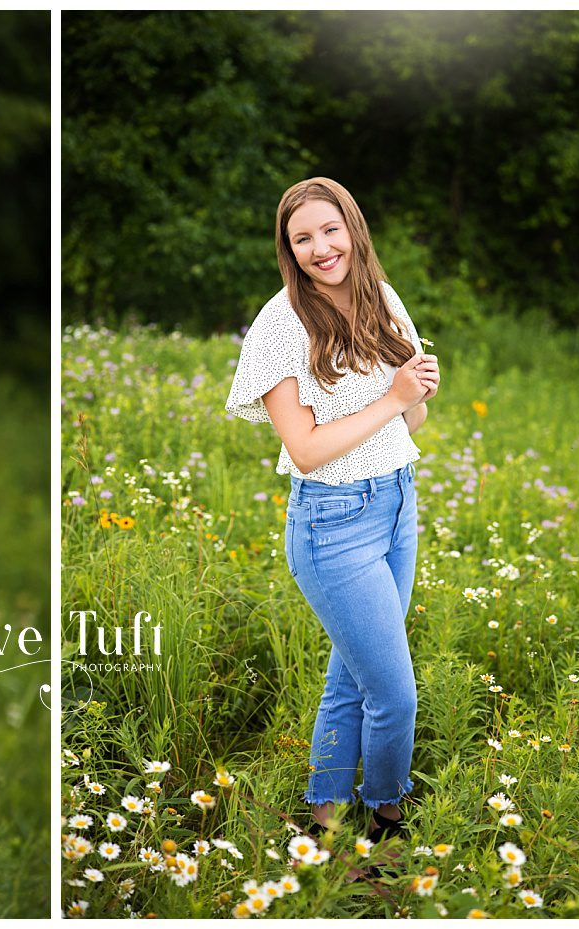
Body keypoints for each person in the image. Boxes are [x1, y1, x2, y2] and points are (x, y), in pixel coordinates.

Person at [224, 177, 439, 847]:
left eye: (329, 230)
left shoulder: (382, 299)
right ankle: (386, 817)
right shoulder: (280, 324)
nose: (321, 248)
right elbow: (307, 449)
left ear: (353, 228)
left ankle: (324, 818)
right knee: (394, 696)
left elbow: (416, 420)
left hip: (397, 502)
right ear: (289, 250)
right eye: (303, 238)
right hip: (333, 523)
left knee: (352, 677)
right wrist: (391, 396)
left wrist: (416, 390)